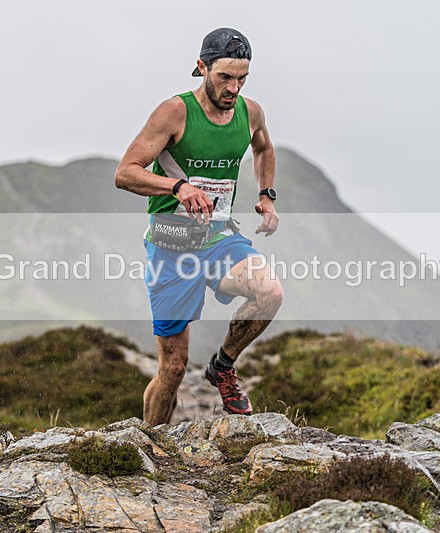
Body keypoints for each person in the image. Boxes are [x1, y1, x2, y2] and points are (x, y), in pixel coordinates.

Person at [115, 28, 283, 426]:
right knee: (172, 369)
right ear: (201, 68)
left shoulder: (250, 112)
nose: (233, 87)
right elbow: (125, 173)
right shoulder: (174, 112)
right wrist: (178, 186)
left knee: (270, 292)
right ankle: (151, 443)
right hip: (171, 243)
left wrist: (267, 194)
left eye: (242, 78)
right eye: (225, 77)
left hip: (219, 237)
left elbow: (263, 147)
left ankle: (223, 366)